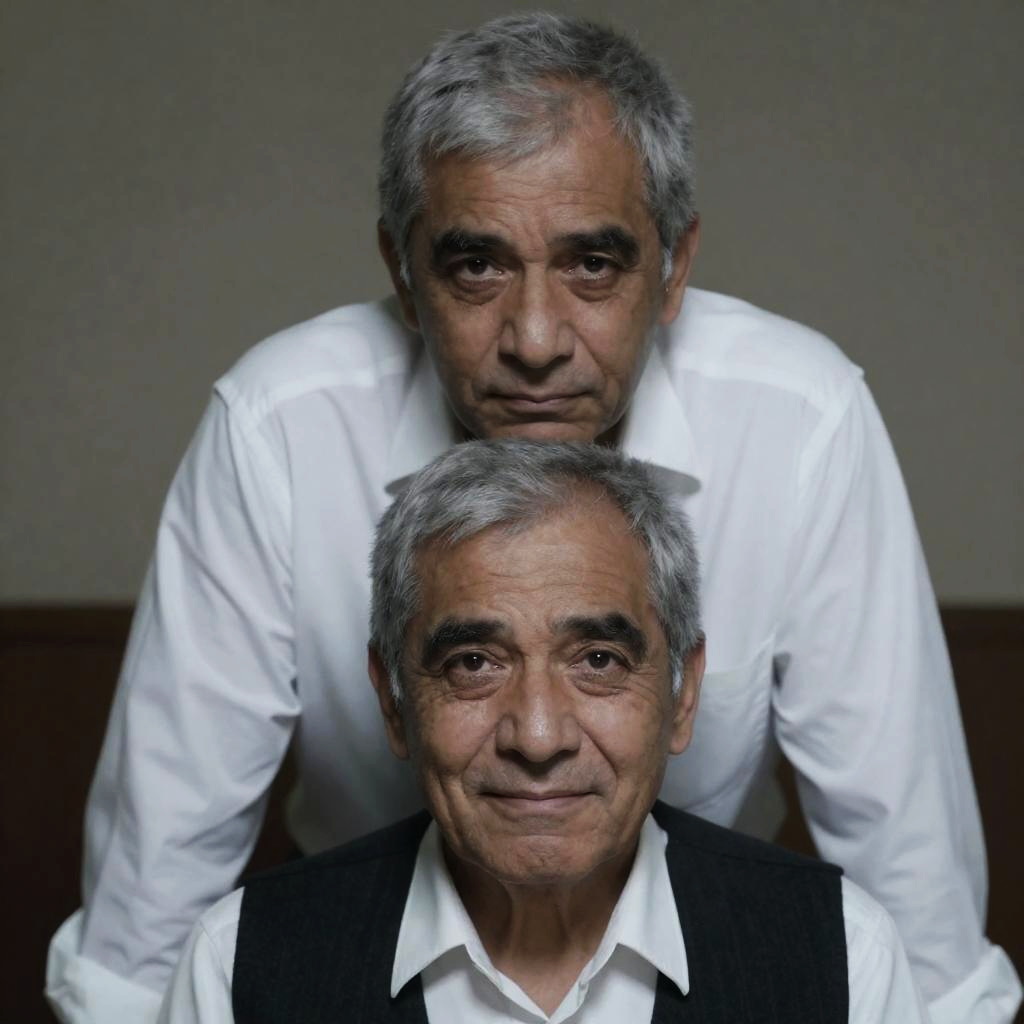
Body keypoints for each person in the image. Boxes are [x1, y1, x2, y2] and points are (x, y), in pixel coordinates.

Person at [47, 12, 1021, 1024]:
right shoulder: (279, 425)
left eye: (592, 264)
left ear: (675, 265)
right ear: (402, 272)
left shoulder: (800, 419)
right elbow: (150, 913)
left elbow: (912, 894)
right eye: (477, 266)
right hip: (351, 970)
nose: (536, 339)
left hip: (715, 966)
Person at [158, 440, 928, 1023]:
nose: (536, 736)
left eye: (597, 660)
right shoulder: (240, 965)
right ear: (393, 700)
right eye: (473, 663)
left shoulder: (842, 956)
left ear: (682, 693)